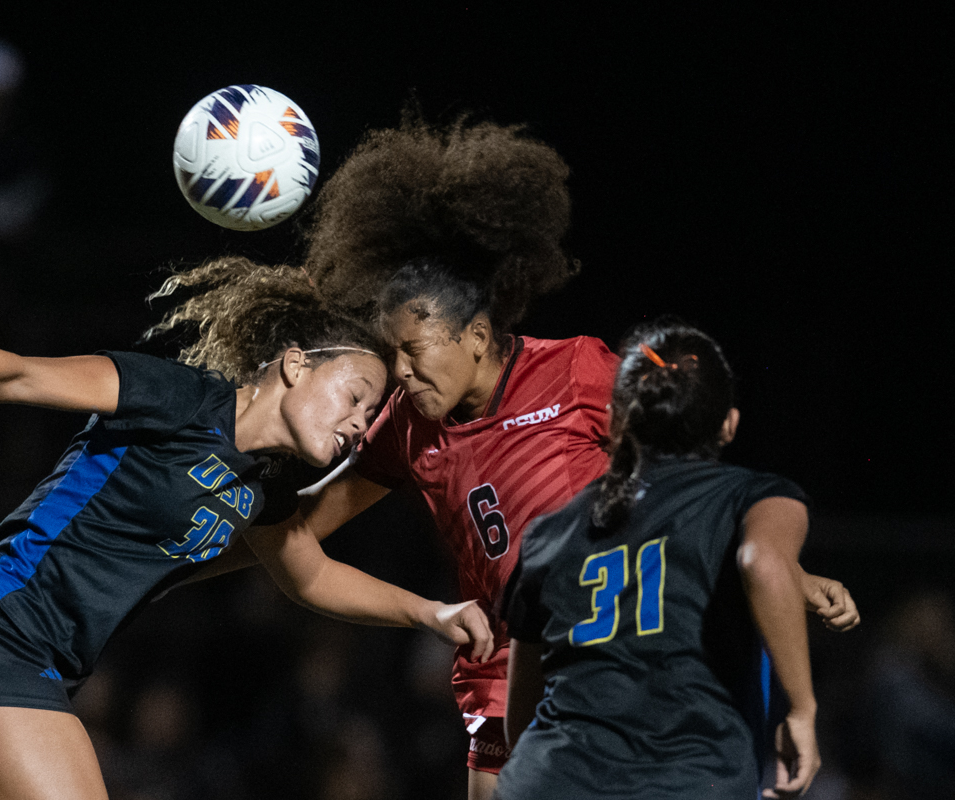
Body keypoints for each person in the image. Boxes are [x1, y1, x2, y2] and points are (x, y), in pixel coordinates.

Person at [193, 117, 859, 800]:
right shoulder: (403, 427)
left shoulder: (578, 371)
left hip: (614, 651)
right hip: (502, 667)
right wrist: (179, 560)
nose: (399, 371)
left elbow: (688, 493)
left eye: (413, 351)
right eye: (389, 353)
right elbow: (300, 531)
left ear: (476, 336)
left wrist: (793, 577)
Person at [0, 259, 493, 800]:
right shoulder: (178, 398)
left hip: (24, 656)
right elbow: (20, 377)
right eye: (355, 399)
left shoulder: (263, 488)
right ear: (296, 364)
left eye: (370, 416)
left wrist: (431, 612)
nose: (358, 425)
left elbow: (311, 575)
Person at [497, 320, 821, 799]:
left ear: (612, 421)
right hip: (686, 780)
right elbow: (761, 562)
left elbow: (519, 716)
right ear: (728, 424)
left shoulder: (549, 532)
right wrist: (803, 710)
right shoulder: (752, 498)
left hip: (548, 778)